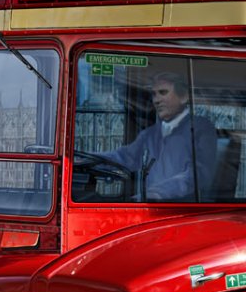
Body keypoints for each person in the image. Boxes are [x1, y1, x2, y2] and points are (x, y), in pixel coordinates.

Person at [83, 68, 216, 202]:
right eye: (154, 94)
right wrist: (86, 159)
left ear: (183, 97)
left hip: (182, 211)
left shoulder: (201, 128)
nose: (156, 100)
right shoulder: (150, 134)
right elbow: (124, 157)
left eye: (163, 93)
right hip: (149, 205)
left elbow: (198, 174)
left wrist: (158, 193)